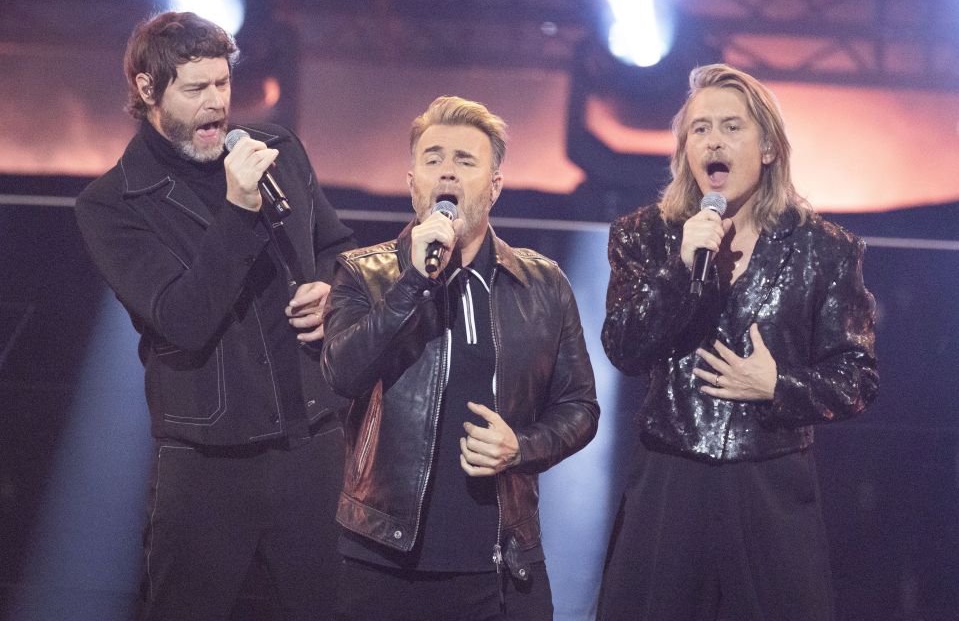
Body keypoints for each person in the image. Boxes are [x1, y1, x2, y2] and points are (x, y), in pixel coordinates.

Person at [74, 12, 355, 621]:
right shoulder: (114, 204)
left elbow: (334, 246)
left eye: (222, 85)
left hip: (311, 437)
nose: (216, 104)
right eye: (195, 89)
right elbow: (183, 318)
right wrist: (236, 209)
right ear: (148, 90)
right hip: (207, 460)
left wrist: (330, 288)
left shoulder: (277, 150)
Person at [598, 64, 879, 621]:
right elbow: (624, 349)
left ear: (769, 147)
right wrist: (679, 270)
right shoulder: (644, 236)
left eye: (731, 127)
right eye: (699, 129)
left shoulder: (825, 251)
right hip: (669, 481)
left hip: (769, 481)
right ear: (684, 150)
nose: (713, 141)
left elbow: (857, 376)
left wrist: (778, 385)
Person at [320, 96, 600, 620]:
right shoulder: (364, 274)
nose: (447, 170)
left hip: (500, 561)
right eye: (433, 159)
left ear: (494, 186)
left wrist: (521, 446)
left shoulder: (542, 284)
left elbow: (580, 407)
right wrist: (413, 283)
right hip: (382, 561)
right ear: (412, 182)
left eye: (465, 161)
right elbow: (343, 371)